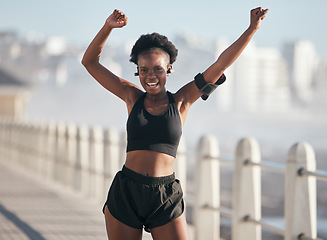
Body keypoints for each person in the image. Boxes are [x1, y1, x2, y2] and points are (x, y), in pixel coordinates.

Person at [82, 6, 268, 240]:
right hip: (127, 192)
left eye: (158, 69)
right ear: (137, 73)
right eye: (144, 70)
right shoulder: (131, 96)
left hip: (165, 195)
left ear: (168, 69)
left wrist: (252, 28)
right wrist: (108, 27)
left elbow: (220, 64)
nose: (151, 75)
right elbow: (90, 62)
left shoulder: (182, 101)